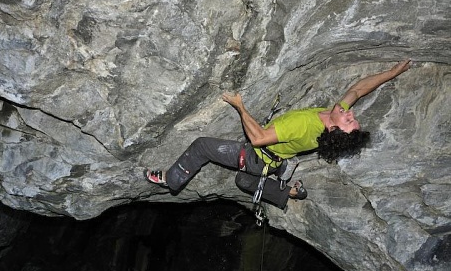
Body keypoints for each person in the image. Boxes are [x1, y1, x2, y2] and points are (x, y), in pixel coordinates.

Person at [145, 59, 411, 209]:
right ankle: (288, 194)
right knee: (243, 183)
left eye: (349, 120)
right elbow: (357, 90)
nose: (351, 114)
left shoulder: (303, 127)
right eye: (351, 117)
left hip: (257, 157)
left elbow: (258, 138)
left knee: (202, 146)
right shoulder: (335, 114)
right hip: (274, 163)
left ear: (333, 128)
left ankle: (172, 180)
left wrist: (241, 107)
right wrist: (390, 73)